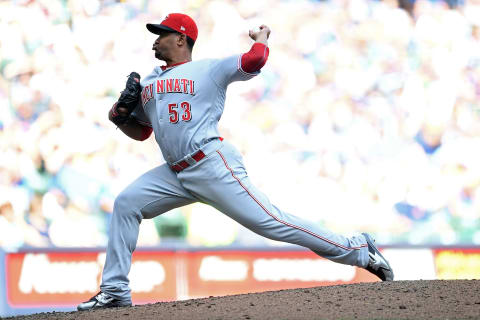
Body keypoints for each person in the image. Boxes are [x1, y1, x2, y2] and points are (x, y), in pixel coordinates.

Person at [77, 13, 394, 311]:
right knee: (126, 204)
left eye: (162, 34)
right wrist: (118, 117)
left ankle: (359, 250)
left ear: (181, 39)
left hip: (211, 164)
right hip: (174, 173)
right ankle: (116, 291)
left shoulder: (209, 69)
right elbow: (142, 133)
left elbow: (254, 59)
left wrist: (262, 37)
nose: (156, 39)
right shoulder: (148, 84)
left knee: (274, 222)